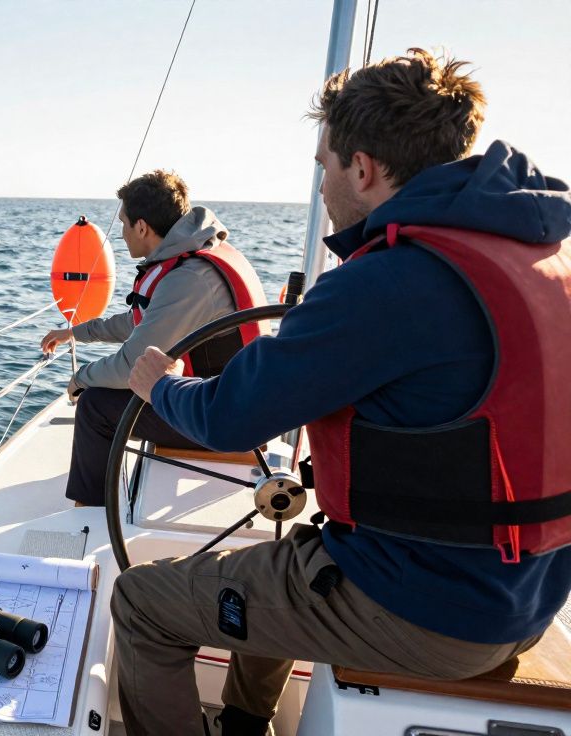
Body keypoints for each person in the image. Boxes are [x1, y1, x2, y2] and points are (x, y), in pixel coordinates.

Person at [116, 48, 571, 736]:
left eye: (325, 165)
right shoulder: (541, 258)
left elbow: (231, 416)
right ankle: (244, 722)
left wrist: (160, 388)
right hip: (528, 599)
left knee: (142, 602)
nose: (323, 183)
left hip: (429, 610)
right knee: (290, 554)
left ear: (364, 168)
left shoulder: (389, 280)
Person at [40, 170, 267, 507]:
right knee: (105, 392)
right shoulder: (194, 260)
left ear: (142, 227)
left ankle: (89, 513)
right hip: (220, 400)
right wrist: (75, 332)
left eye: (124, 223)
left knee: (95, 404)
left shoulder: (189, 278)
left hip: (223, 419)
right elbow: (140, 322)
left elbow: (130, 365)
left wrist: (79, 379)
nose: (121, 233)